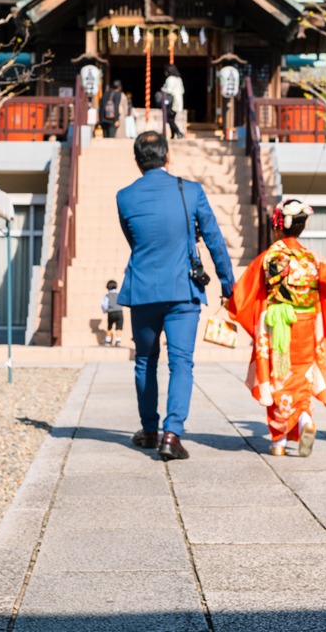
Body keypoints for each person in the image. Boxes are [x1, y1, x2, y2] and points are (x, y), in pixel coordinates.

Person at [117, 131, 234, 461]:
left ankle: (148, 430)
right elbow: (214, 239)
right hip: (183, 290)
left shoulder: (124, 197)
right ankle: (172, 434)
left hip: (142, 289)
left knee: (145, 360)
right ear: (168, 156)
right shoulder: (191, 191)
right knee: (181, 362)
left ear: (137, 161)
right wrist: (228, 284)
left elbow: (134, 240)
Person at [228, 200, 326, 456]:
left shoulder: (269, 256)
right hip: (306, 326)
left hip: (275, 325)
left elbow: (244, 291)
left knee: (278, 378)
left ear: (278, 227)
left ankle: (278, 442)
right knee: (301, 377)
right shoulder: (313, 258)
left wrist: (230, 301)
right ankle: (304, 419)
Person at [161, 64, 184, 139]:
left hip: (172, 101)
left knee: (169, 119)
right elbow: (182, 90)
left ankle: (178, 132)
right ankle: (173, 135)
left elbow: (169, 90)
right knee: (171, 119)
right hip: (179, 101)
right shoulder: (179, 79)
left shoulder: (170, 79)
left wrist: (163, 89)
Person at [101, 279, 123, 346]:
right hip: (119, 311)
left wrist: (105, 310)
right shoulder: (119, 294)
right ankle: (118, 340)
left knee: (109, 326)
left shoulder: (107, 295)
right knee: (119, 327)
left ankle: (108, 340)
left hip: (111, 312)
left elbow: (104, 304)